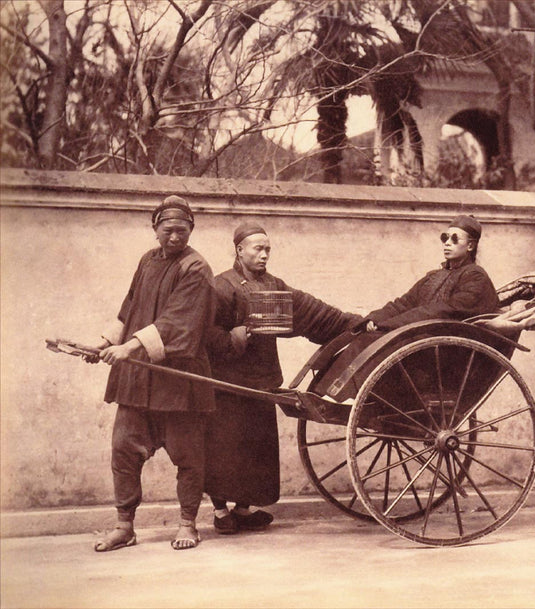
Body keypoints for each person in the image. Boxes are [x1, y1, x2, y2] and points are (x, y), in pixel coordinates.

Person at [204, 222, 360, 534]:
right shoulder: (221, 286)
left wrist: (355, 323)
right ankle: (221, 512)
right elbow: (205, 333)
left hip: (261, 381)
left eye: (267, 250)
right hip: (226, 383)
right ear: (239, 250)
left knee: (256, 448)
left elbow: (311, 312)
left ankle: (244, 509)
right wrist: (236, 336)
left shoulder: (274, 286)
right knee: (223, 446)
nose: (264, 255)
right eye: (257, 249)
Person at [88, 195, 216, 551]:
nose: (175, 237)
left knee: (188, 456)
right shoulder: (147, 260)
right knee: (123, 450)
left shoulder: (196, 268)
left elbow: (179, 322)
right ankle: (124, 526)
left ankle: (188, 524)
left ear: (191, 229)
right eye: (168, 229)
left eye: (182, 230)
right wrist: (104, 343)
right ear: (155, 228)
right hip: (138, 380)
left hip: (179, 380)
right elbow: (130, 306)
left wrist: (127, 348)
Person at [314, 214, 499, 393]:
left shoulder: (475, 276)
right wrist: (375, 319)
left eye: (454, 239)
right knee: (365, 336)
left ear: (470, 246)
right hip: (422, 341)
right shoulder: (433, 276)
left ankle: (344, 395)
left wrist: (390, 326)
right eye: (445, 237)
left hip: (445, 353)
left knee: (378, 341)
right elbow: (404, 303)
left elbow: (444, 311)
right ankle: (327, 392)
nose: (447, 243)